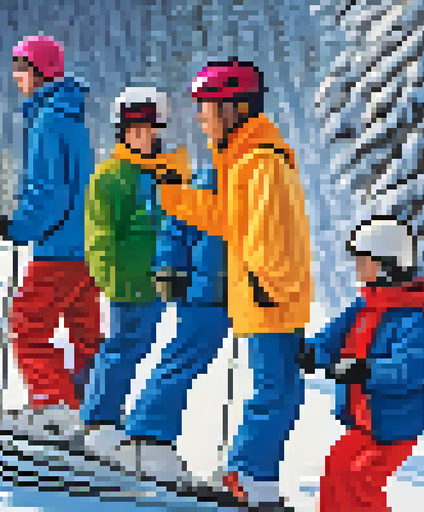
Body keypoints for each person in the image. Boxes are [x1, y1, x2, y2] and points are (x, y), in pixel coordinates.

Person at [155, 58, 313, 509]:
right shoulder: (245, 160)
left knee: (277, 389)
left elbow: (273, 230)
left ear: (234, 109)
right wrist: (176, 197)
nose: (200, 116)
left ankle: (247, 474)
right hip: (268, 293)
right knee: (278, 388)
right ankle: (248, 474)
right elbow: (230, 221)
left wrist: (270, 282)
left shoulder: (261, 161)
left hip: (270, 295)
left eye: (206, 107)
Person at [0, 34, 99, 442]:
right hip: (84, 249)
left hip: (58, 249)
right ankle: (92, 410)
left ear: (41, 72)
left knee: (29, 325)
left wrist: (14, 226)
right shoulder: (71, 117)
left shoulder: (49, 121)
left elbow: (49, 193)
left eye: (22, 68)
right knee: (85, 334)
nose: (16, 76)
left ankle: (54, 408)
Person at [78, 88, 188, 458]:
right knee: (121, 348)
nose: (143, 136)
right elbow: (99, 233)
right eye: (134, 129)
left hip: (156, 283)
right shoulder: (112, 176)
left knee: (138, 349)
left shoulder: (165, 173)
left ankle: (109, 414)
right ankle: (98, 419)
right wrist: (110, 277)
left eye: (149, 129)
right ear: (121, 130)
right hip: (126, 281)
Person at [306, 217, 424, 512]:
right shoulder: (363, 307)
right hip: (363, 423)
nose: (357, 267)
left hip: (392, 427)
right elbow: (329, 339)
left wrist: (364, 370)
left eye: (364, 261)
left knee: (359, 484)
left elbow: (409, 369)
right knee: (336, 470)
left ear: (387, 265)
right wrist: (310, 353)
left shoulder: (411, 318)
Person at [115, 163, 228, 484]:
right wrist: (169, 267)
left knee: (187, 359)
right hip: (203, 289)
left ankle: (145, 436)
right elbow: (175, 225)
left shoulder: (243, 179)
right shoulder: (211, 178)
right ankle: (146, 439)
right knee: (182, 359)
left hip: (224, 292)